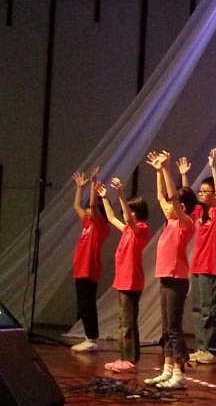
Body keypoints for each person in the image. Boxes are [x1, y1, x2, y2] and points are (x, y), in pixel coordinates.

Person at [144, 151, 197, 390]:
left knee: (174, 329)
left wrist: (166, 169)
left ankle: (179, 372)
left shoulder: (185, 223)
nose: (166, 205)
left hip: (177, 279)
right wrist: (157, 171)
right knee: (166, 329)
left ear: (182, 206)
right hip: (165, 277)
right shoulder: (171, 223)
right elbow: (161, 195)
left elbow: (172, 196)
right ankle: (166, 370)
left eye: (172, 204)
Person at [177, 150, 216, 364]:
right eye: (201, 190)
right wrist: (183, 176)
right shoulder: (200, 213)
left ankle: (212, 350)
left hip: (211, 267)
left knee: (209, 310)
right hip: (197, 267)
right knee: (197, 309)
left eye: (206, 191)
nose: (202, 193)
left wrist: (214, 167)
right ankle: (201, 348)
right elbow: (187, 198)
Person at [97, 178, 150, 373]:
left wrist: (120, 195)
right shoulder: (128, 230)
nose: (130, 214)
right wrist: (105, 198)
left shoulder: (141, 229)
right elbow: (111, 218)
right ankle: (128, 358)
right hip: (124, 281)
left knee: (127, 323)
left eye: (133, 210)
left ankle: (128, 359)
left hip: (131, 282)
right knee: (125, 321)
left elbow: (128, 219)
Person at [70, 168, 110, 353]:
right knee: (82, 303)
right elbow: (77, 207)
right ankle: (89, 337)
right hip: (80, 269)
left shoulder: (100, 226)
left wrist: (94, 186)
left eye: (90, 209)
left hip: (89, 269)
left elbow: (93, 207)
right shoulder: (87, 223)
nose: (86, 211)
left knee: (87, 303)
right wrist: (80, 188)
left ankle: (91, 339)